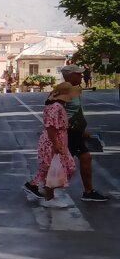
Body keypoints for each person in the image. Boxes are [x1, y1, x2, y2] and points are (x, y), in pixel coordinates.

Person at [59, 64, 109, 202]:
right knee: (61, 162)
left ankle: (88, 191)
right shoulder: (64, 89)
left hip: (75, 131)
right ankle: (37, 186)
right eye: (78, 74)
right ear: (69, 76)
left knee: (82, 158)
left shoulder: (76, 89)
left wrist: (82, 129)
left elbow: (76, 111)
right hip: (68, 131)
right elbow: (56, 110)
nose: (81, 76)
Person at [24, 82, 78, 208]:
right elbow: (51, 127)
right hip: (53, 142)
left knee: (52, 168)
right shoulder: (56, 107)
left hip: (56, 141)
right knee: (58, 168)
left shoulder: (57, 106)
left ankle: (38, 187)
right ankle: (48, 196)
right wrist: (56, 144)